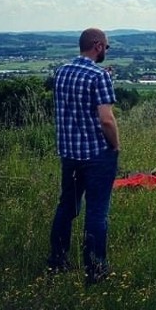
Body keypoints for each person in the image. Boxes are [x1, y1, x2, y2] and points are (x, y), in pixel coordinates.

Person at [47, 28, 120, 285]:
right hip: (97, 154)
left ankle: (57, 259)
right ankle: (95, 270)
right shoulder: (98, 75)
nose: (106, 52)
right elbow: (106, 120)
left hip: (69, 153)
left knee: (66, 206)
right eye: (107, 47)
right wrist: (116, 146)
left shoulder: (61, 71)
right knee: (97, 213)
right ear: (98, 46)